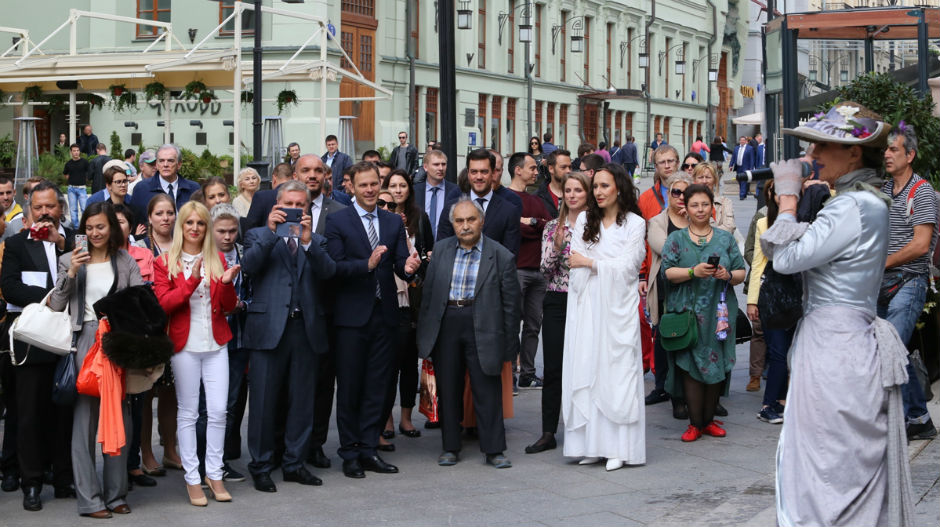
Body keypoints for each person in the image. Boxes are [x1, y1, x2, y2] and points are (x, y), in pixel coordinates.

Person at [764, 102, 915, 526]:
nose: (812, 156)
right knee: (836, 456)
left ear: (854, 152)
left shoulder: (853, 207)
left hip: (834, 346)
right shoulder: (862, 202)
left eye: (822, 147)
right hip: (845, 340)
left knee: (826, 461)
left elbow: (787, 259)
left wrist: (789, 200)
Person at [325, 162, 421, 479]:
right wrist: (365, 265)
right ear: (351, 185)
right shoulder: (337, 220)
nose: (369, 190)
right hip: (352, 318)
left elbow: (396, 265)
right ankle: (349, 452)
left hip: (385, 314)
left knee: (378, 387)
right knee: (351, 387)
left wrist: (407, 267)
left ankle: (369, 450)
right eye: (363, 185)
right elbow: (335, 268)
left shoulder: (392, 222)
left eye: (373, 184)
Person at [49, 201, 143, 518]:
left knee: (120, 416)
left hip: (115, 340)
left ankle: (116, 494)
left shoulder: (126, 261)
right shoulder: (69, 259)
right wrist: (72, 271)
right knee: (84, 421)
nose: (94, 233)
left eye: (100, 227)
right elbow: (56, 304)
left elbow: (138, 304)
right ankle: (89, 499)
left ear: (111, 228)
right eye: (88, 228)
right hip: (84, 340)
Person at [242, 181, 336, 492]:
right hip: (268, 329)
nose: (295, 210)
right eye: (288, 204)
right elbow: (250, 267)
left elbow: (328, 274)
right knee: (264, 402)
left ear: (308, 209)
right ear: (276, 205)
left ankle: (295, 463)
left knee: (302, 401)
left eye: (301, 205)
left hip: (305, 328)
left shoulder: (317, 240)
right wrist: (271, 232)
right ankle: (262, 464)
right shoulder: (258, 234)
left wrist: (308, 242)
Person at [416, 198, 521, 469]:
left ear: (482, 221)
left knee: (487, 389)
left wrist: (510, 344)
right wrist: (425, 335)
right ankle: (450, 447)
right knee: (448, 388)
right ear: (452, 224)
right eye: (459, 221)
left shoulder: (500, 255)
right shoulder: (440, 250)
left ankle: (494, 450)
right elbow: (428, 296)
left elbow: (511, 305)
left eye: (471, 220)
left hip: (483, 324)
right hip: (448, 322)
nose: (465, 226)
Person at [560, 163, 647, 471]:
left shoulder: (635, 224)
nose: (597, 192)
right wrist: (590, 262)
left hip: (617, 308)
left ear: (619, 188)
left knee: (616, 372)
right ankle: (590, 445)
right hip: (587, 304)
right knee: (587, 366)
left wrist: (592, 263)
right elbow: (575, 259)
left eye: (604, 186)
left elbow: (629, 266)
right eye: (595, 186)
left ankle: (618, 448)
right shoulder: (585, 219)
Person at [153, 201, 240, 506]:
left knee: (218, 411)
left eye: (200, 223)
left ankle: (214, 474)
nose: (194, 228)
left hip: (216, 344)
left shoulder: (216, 257)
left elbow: (229, 306)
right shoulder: (165, 262)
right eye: (189, 223)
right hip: (184, 347)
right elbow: (164, 305)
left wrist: (227, 285)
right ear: (181, 227)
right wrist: (191, 281)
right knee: (188, 413)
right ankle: (192, 477)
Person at [0, 180, 76, 511]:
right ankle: (31, 483)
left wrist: (62, 245)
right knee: (28, 414)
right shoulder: (16, 243)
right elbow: (10, 287)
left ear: (61, 208)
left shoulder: (76, 240)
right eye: (38, 207)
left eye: (50, 206)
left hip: (67, 340)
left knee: (63, 412)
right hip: (30, 339)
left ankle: (62, 477)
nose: (45, 212)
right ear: (29, 210)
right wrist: (49, 299)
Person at [662, 183, 746, 442]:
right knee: (689, 365)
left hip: (718, 313)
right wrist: (692, 272)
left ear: (713, 208)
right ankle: (694, 423)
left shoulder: (725, 238)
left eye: (704, 204)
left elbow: (741, 272)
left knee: (716, 362)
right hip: (687, 313)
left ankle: (709, 421)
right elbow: (667, 272)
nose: (700, 209)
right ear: (685, 208)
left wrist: (727, 274)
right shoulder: (676, 239)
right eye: (694, 205)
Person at [524, 171, 591, 455]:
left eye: (578, 190)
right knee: (553, 367)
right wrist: (558, 247)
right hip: (557, 300)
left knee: (585, 366)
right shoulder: (553, 226)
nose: (573, 195)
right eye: (569, 190)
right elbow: (544, 269)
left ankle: (586, 429)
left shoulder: (596, 226)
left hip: (587, 299)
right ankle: (548, 431)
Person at [880, 122, 938, 440]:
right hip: (881, 282)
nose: (887, 155)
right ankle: (920, 417)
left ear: (910, 154)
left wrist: (883, 261)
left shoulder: (922, 191)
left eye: (894, 149)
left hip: (910, 281)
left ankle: (897, 420)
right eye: (886, 149)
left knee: (890, 346)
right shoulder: (884, 191)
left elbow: (920, 244)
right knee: (893, 348)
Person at [379, 170, 434, 442]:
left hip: (412, 296)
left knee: (409, 362)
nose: (397, 192)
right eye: (392, 187)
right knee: (388, 363)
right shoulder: (377, 219)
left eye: (402, 186)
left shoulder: (418, 217)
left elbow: (427, 254)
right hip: (386, 295)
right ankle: (386, 419)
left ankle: (407, 418)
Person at [137, 193, 182, 476]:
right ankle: (146, 452)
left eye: (169, 213)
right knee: (146, 393)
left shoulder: (183, 244)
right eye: (159, 214)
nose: (165, 218)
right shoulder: (139, 247)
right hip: (149, 330)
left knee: (172, 393)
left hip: (177, 326)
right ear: (150, 218)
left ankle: (170, 449)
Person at [644, 172, 693, 420]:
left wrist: (694, 223)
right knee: (666, 341)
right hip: (666, 290)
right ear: (669, 195)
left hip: (694, 290)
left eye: (686, 192)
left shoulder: (699, 218)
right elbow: (665, 250)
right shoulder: (657, 221)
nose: (681, 197)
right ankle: (666, 388)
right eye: (676, 192)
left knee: (694, 341)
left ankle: (696, 393)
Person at [206, 203, 249, 482]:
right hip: (209, 337)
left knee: (231, 402)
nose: (227, 236)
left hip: (240, 337)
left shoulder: (245, 254)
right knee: (209, 404)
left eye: (233, 231)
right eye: (221, 231)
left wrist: (243, 304)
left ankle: (221, 460)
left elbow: (255, 289)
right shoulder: (205, 257)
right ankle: (207, 460)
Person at [744, 181, 790, 425]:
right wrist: (753, 301)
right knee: (778, 352)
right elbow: (758, 265)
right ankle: (767, 404)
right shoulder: (764, 223)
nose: (783, 197)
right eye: (778, 193)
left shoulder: (805, 220)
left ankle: (781, 401)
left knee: (789, 352)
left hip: (797, 296)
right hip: (771, 295)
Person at [506, 153, 551, 389]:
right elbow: (513, 229)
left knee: (534, 325)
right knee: (512, 324)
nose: (536, 172)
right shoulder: (505, 198)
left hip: (539, 270)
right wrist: (532, 224)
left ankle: (528, 372)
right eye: (532, 168)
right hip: (517, 269)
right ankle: (511, 374)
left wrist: (530, 222)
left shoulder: (537, 200)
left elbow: (549, 228)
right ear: (518, 170)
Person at [437, 149, 522, 257]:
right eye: (474, 172)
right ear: (468, 173)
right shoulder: (451, 208)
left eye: (484, 172)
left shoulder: (509, 211)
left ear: (492, 173)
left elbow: (509, 257)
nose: (479, 177)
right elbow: (442, 250)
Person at [127, 144, 200, 222]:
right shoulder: (141, 189)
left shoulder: (194, 189)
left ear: (179, 164)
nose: (165, 165)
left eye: (170, 161)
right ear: (157, 165)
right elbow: (135, 221)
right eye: (161, 161)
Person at [413, 150, 458, 240]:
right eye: (436, 164)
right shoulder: (415, 191)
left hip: (447, 245)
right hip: (421, 247)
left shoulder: (456, 191)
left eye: (443, 164)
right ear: (425, 167)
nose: (441, 168)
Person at [243, 163, 296, 230]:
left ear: (274, 179)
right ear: (294, 177)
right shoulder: (301, 197)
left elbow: (250, 227)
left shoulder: (261, 196)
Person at [693, 162, 735, 234]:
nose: (704, 181)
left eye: (708, 177)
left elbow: (730, 227)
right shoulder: (688, 202)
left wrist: (703, 233)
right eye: (700, 177)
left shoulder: (725, 202)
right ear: (694, 180)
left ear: (715, 180)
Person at [535, 149, 572, 219]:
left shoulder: (579, 194)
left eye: (570, 167)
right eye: (563, 167)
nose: (568, 171)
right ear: (551, 169)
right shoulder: (537, 198)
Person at [64, 144, 90, 228]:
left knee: (84, 209)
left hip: (82, 188)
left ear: (80, 152)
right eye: (74, 151)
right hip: (71, 189)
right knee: (73, 210)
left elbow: (88, 173)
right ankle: (75, 228)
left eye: (77, 151)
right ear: (71, 152)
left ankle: (85, 226)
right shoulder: (68, 164)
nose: (76, 152)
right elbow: (66, 174)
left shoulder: (85, 162)